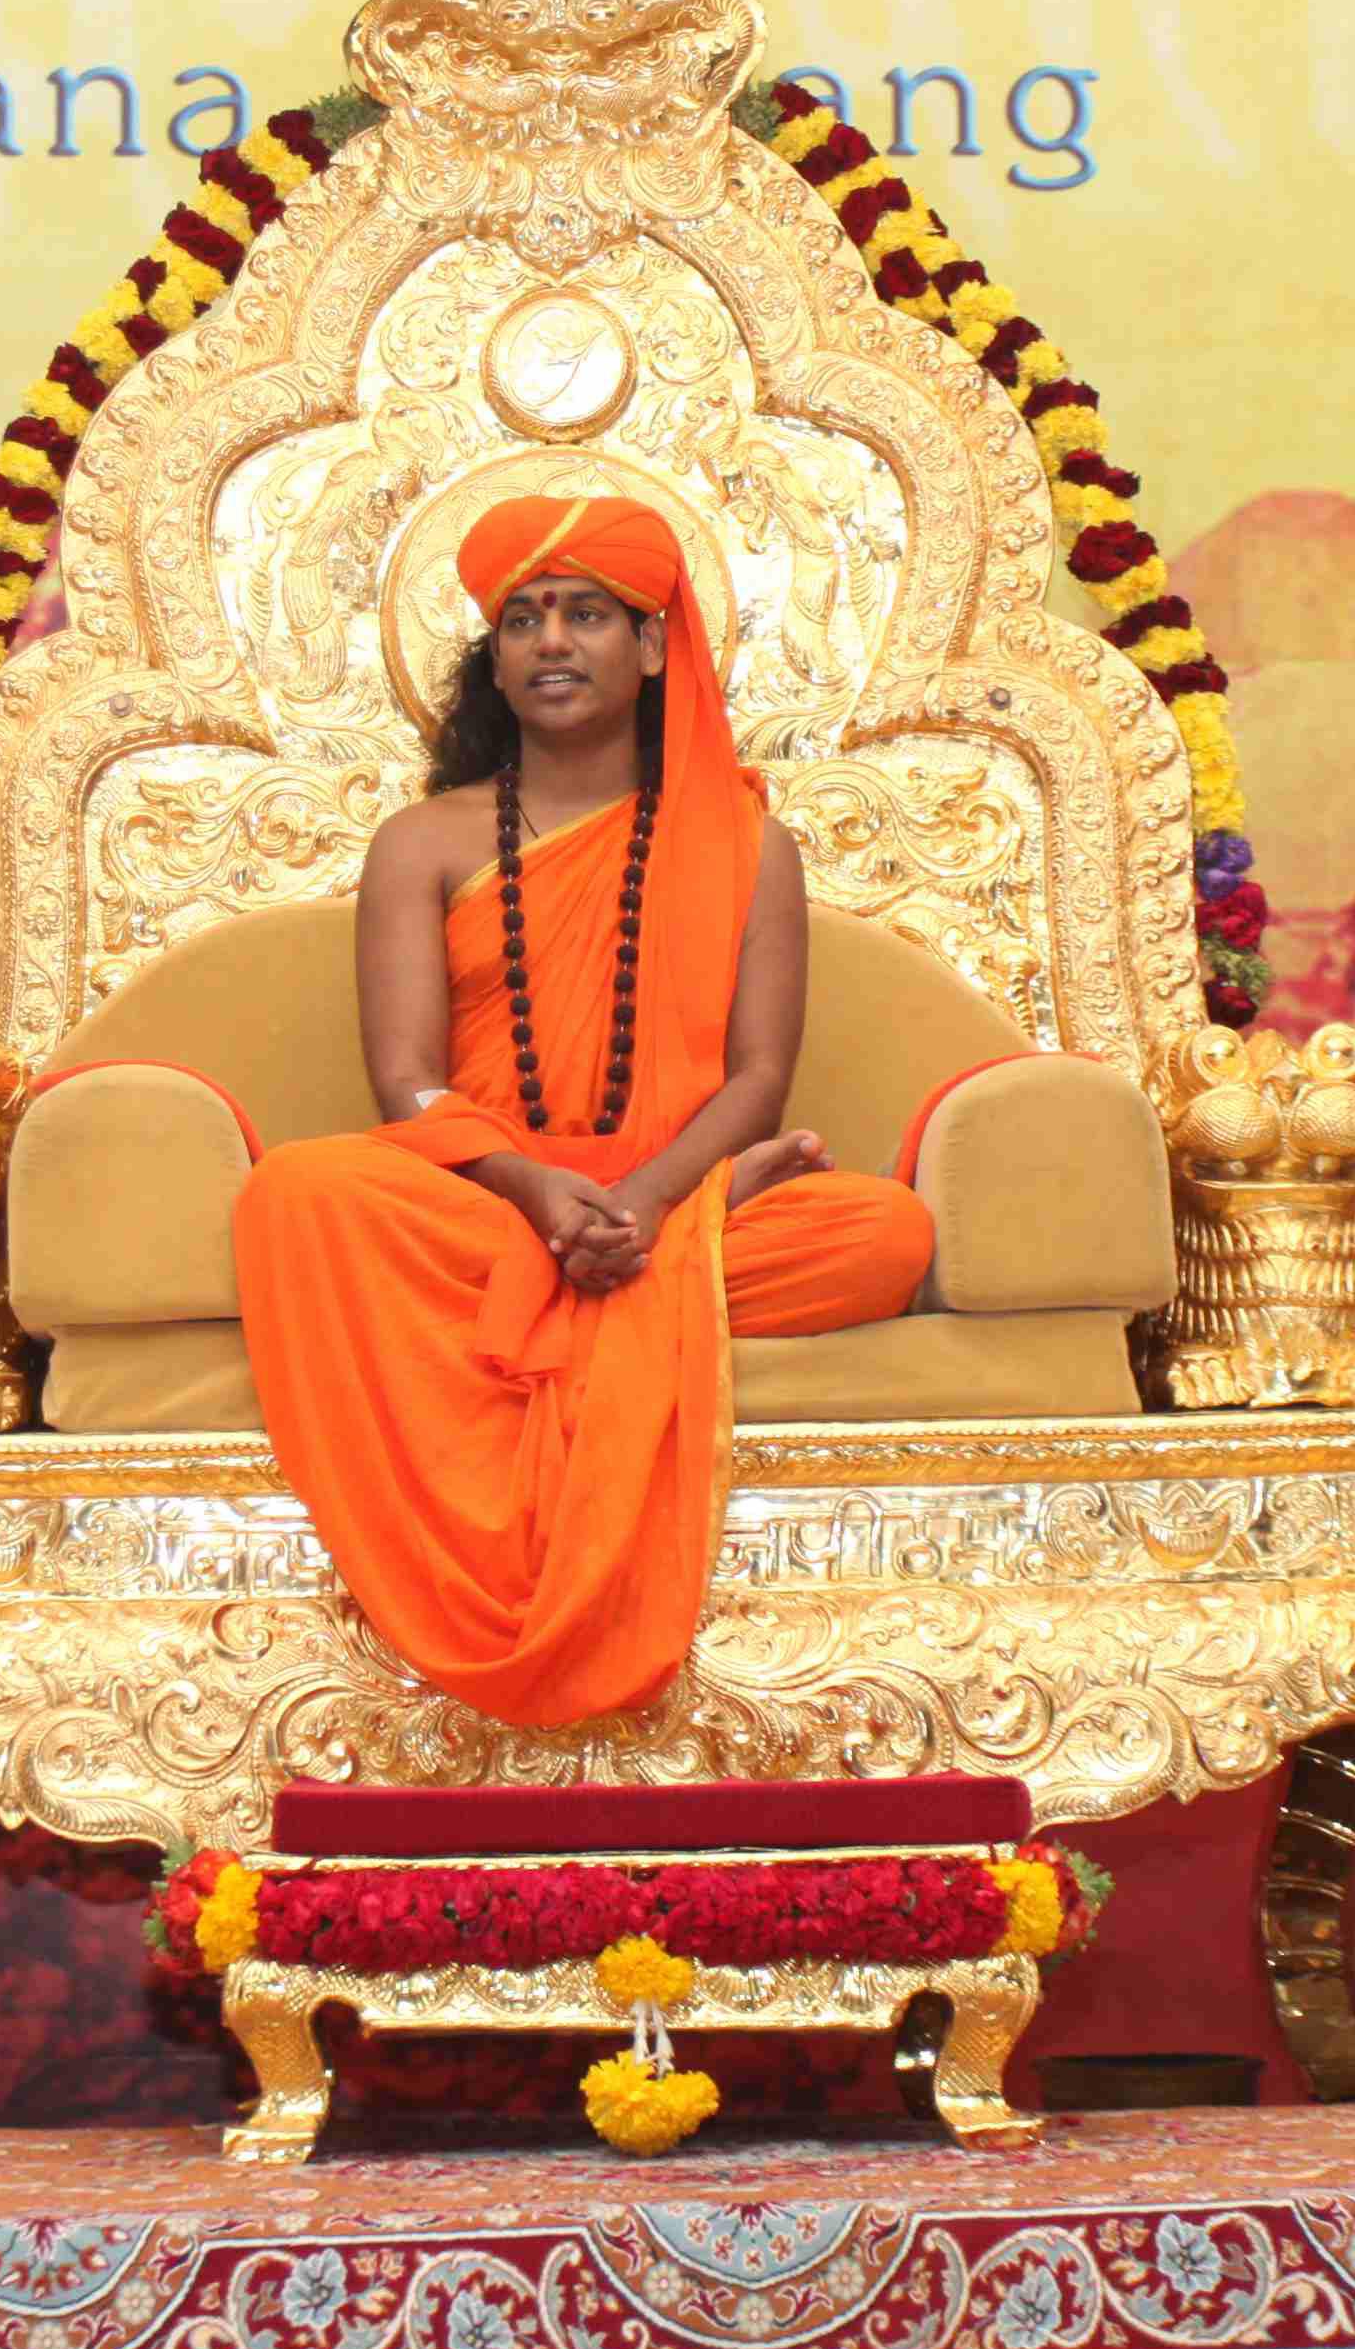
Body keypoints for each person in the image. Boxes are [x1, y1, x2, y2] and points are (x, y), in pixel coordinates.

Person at [229, 489, 936, 1728]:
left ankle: (664, 1257)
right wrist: (536, 1193)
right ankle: (646, 1278)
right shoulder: (423, 841)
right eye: (524, 619)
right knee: (302, 1192)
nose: (552, 642)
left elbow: (756, 1078)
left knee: (881, 1233)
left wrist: (655, 1204)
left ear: (654, 645)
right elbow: (405, 1077)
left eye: (587, 614)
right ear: (495, 659)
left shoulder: (749, 845)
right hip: (487, 1203)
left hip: (670, 1197)